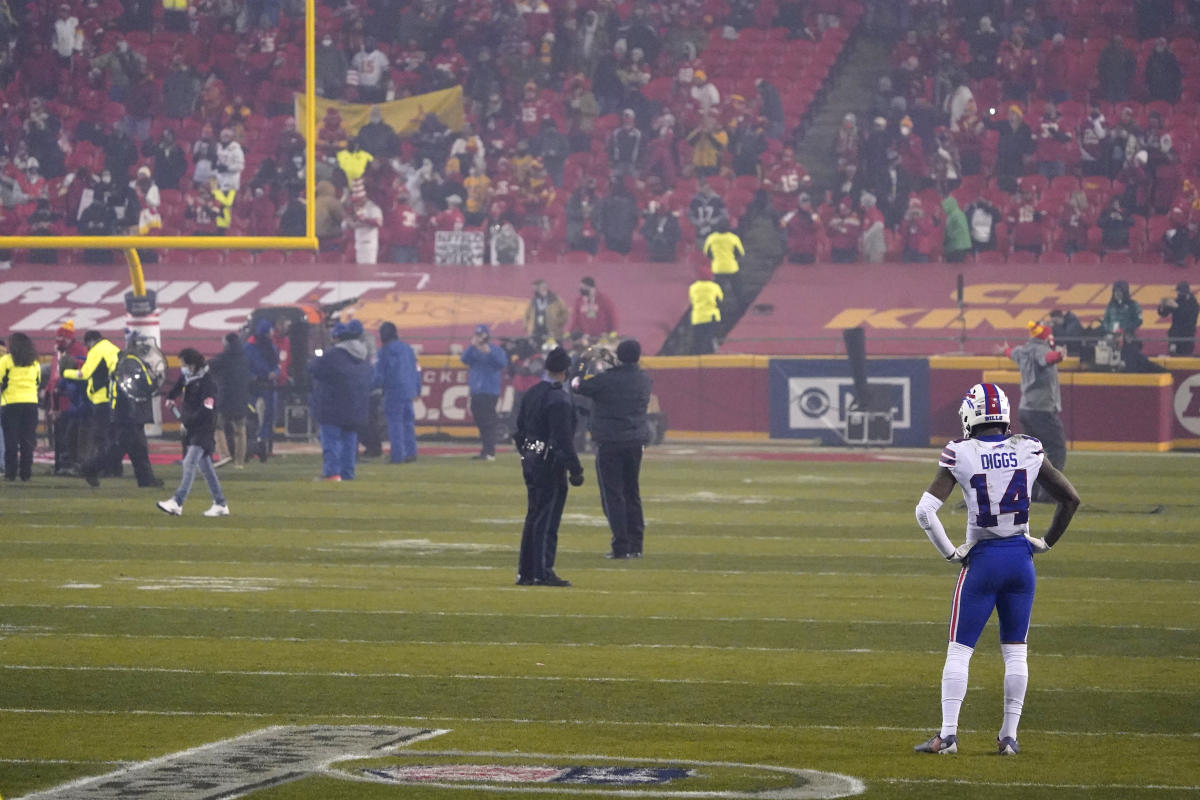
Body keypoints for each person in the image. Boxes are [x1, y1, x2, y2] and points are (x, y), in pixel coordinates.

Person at [913, 382, 1080, 756]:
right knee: (1015, 651)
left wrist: (951, 554)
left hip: (984, 561)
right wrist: (1046, 541)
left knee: (959, 651)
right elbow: (1071, 498)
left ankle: (948, 736)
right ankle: (1009, 737)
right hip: (1021, 560)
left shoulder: (961, 452)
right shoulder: (1028, 447)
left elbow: (925, 512)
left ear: (971, 415)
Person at [572, 339, 652, 559]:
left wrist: (582, 360)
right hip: (635, 441)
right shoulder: (644, 379)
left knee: (613, 495)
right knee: (632, 492)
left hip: (610, 442)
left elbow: (576, 384)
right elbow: (625, 378)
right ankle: (636, 544)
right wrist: (615, 363)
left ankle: (621, 545)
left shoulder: (606, 380)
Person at [514, 345, 583, 587]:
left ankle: (526, 571)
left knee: (533, 514)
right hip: (549, 461)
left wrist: (527, 454)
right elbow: (562, 439)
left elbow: (519, 430)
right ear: (566, 370)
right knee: (547, 518)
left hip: (530, 455)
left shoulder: (532, 393)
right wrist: (575, 468)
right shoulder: (559, 399)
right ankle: (542, 571)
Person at [82, 334, 162, 489]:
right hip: (129, 413)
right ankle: (90, 468)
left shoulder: (128, 361)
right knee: (118, 449)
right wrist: (155, 382)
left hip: (129, 413)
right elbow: (139, 386)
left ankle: (146, 480)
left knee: (138, 449)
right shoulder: (131, 362)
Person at [157, 349, 230, 517]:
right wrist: (171, 397)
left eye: (183, 364)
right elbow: (179, 385)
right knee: (205, 467)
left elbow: (207, 410)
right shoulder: (190, 377)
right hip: (192, 427)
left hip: (203, 429)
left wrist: (187, 421)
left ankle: (177, 502)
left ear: (192, 365)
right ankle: (220, 503)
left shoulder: (207, 383)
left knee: (189, 462)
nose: (181, 368)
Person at [1005, 321, 1066, 502]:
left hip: (1025, 408)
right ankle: (1049, 492)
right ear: (1046, 337)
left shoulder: (1022, 350)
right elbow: (1047, 358)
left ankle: (1029, 491)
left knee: (1032, 452)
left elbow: (1011, 353)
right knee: (1056, 448)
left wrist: (1005, 350)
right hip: (1041, 409)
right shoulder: (1041, 349)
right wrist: (1059, 356)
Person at [309, 321, 372, 481]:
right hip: (356, 405)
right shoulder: (363, 355)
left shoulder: (332, 355)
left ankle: (331, 473)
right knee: (350, 442)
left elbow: (313, 370)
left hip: (332, 404)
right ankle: (347, 473)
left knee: (331, 440)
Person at [62, 330, 121, 474]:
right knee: (113, 435)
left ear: (90, 341)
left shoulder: (97, 350)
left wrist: (65, 373)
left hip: (102, 399)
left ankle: (104, 468)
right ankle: (115, 468)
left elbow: (85, 373)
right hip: (117, 398)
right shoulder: (114, 348)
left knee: (101, 436)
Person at [375, 322, 421, 464]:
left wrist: (370, 387)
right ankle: (411, 452)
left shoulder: (384, 351)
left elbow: (380, 374)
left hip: (393, 390)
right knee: (407, 423)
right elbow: (417, 370)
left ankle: (397, 455)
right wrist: (417, 388)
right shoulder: (407, 349)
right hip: (409, 390)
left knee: (395, 424)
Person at [461, 324, 508, 461]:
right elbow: (464, 359)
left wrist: (489, 352)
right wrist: (472, 346)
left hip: (489, 390)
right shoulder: (474, 351)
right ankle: (485, 450)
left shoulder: (495, 350)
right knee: (480, 420)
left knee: (487, 421)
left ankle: (489, 451)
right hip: (476, 390)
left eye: (481, 335)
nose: (479, 338)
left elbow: (502, 363)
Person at [0, 333, 41, 482]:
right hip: (31, 404)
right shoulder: (34, 362)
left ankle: (11, 473)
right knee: (27, 440)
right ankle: (26, 473)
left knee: (11, 440)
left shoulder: (6, 361)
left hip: (10, 403)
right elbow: (38, 381)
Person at [209, 332, 250, 469]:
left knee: (218, 426)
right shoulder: (244, 358)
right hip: (242, 397)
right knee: (240, 429)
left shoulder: (223, 358)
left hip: (225, 397)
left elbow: (207, 368)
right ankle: (239, 461)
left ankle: (224, 455)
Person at [244, 320, 279, 461]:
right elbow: (246, 366)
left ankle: (264, 444)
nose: (272, 334)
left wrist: (274, 372)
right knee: (252, 414)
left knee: (269, 415)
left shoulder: (271, 347)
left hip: (268, 385)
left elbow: (276, 365)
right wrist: (254, 377)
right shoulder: (249, 348)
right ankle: (253, 443)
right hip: (254, 385)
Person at [703, 223, 745, 311]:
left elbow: (707, 253)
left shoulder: (711, 238)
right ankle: (741, 306)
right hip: (732, 267)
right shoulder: (733, 238)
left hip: (717, 268)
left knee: (717, 289)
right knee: (737, 288)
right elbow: (740, 253)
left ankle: (716, 306)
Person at [688, 267, 724, 355]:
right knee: (711, 338)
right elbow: (720, 300)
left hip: (697, 317)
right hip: (711, 317)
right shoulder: (714, 286)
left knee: (697, 340)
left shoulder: (693, 287)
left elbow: (692, 300)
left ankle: (695, 357)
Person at [1158, 282, 1199, 356]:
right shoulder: (1177, 301)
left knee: (1186, 357)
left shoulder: (1194, 304)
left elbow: (1189, 317)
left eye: (1179, 292)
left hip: (1187, 335)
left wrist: (1177, 307)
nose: (1178, 294)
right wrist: (1162, 306)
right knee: (1173, 355)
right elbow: (1164, 314)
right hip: (1175, 335)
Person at [524, 279, 569, 345]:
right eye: (534, 289)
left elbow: (565, 313)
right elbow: (526, 315)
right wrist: (528, 327)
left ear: (543, 288)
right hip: (536, 333)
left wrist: (557, 323)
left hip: (553, 333)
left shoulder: (555, 299)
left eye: (536, 289)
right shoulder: (533, 301)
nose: (534, 291)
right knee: (538, 354)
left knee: (555, 353)